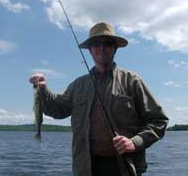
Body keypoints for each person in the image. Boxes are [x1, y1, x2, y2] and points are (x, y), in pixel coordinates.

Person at [29, 22, 168, 176]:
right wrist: (42, 89)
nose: (101, 48)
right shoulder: (78, 85)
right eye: (96, 44)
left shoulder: (132, 81)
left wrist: (134, 142)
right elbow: (58, 109)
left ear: (115, 48)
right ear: (90, 50)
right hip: (86, 168)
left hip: (124, 168)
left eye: (107, 43)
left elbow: (159, 121)